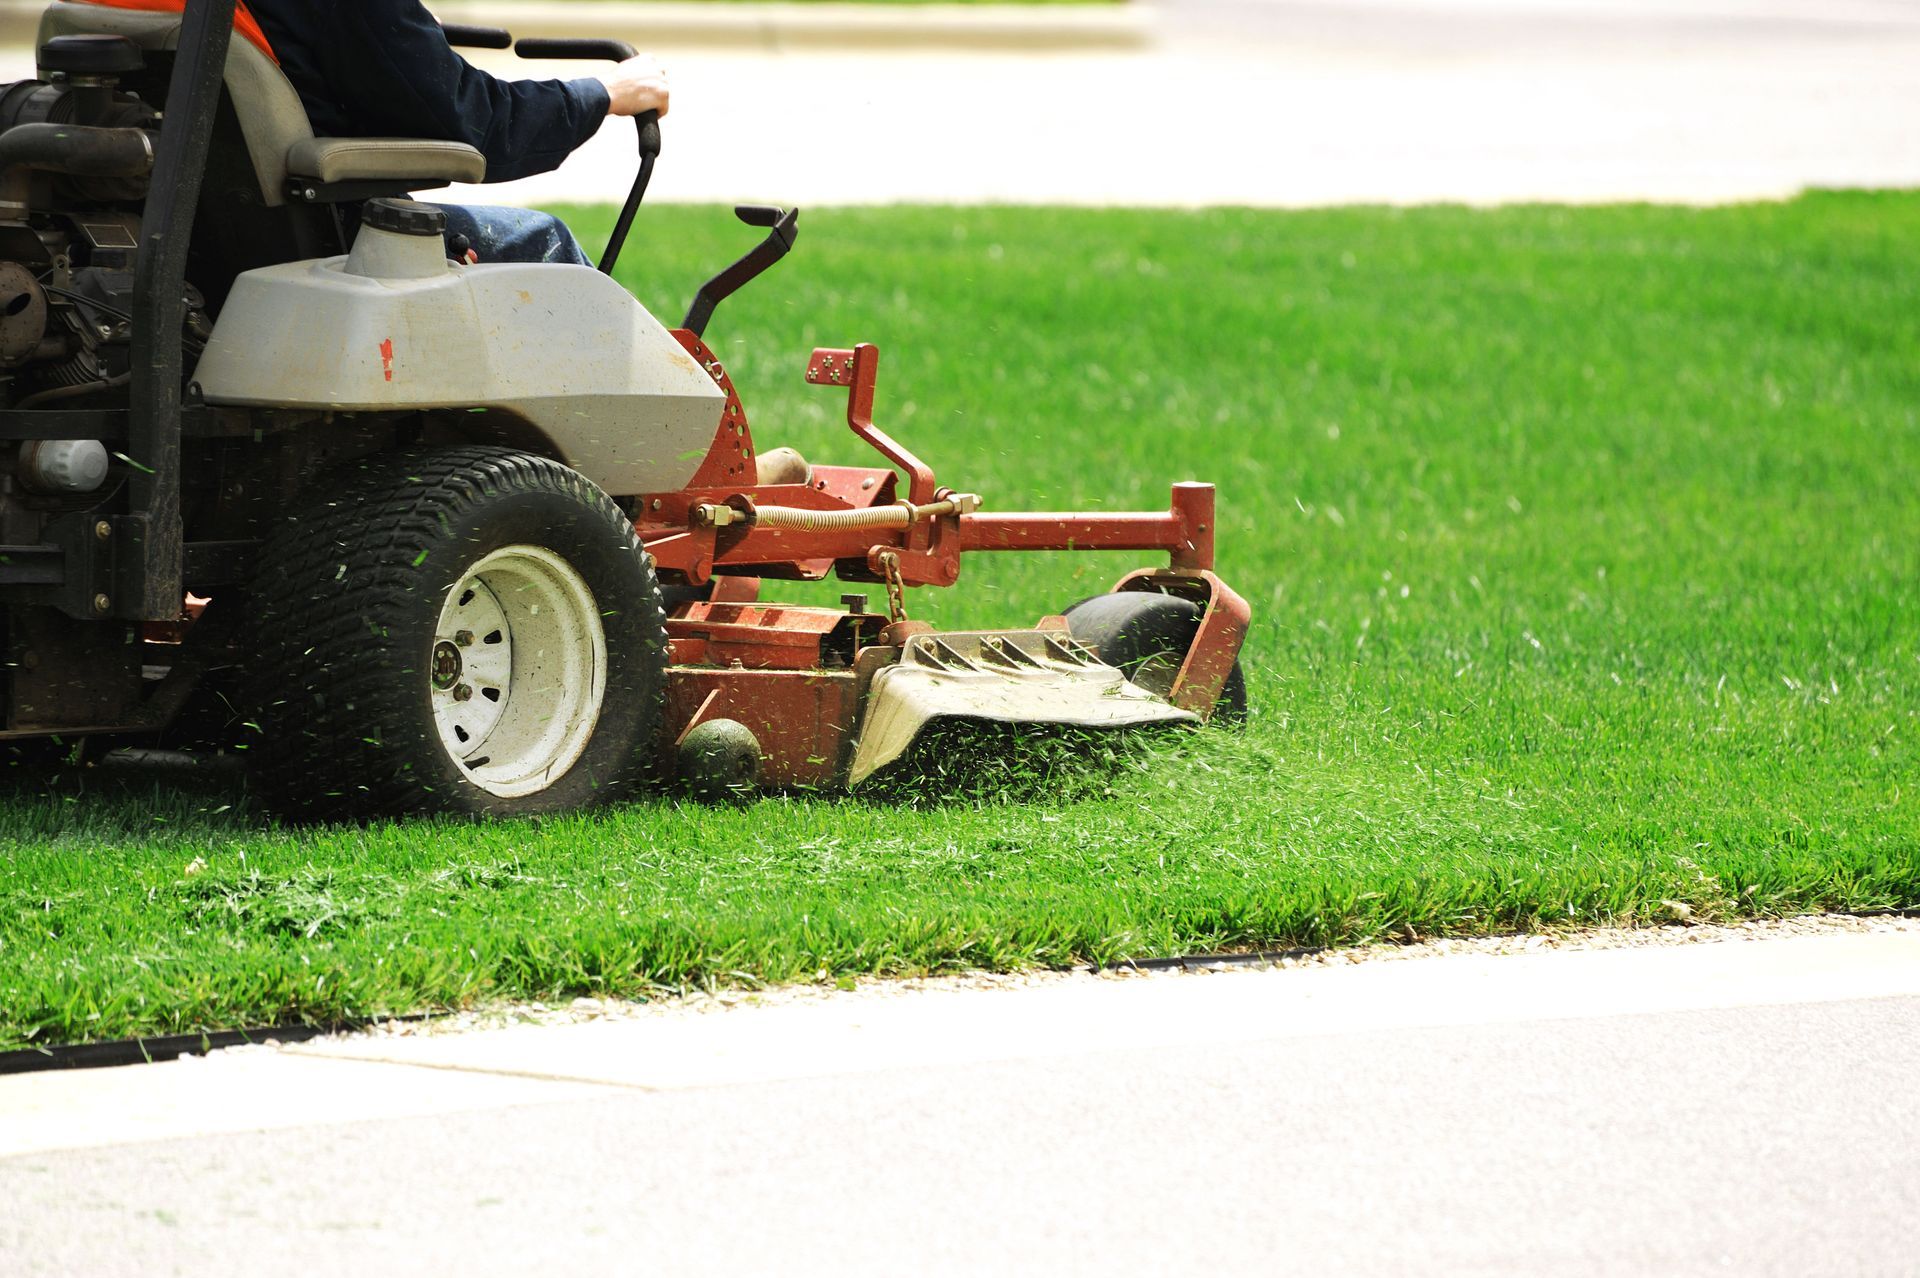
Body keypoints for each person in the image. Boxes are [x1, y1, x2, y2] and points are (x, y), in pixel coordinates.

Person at [238, 0, 669, 264]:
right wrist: (603, 94)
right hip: (334, 243)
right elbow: (475, 123)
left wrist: (404, 33)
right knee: (544, 242)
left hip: (231, 247)